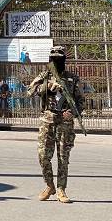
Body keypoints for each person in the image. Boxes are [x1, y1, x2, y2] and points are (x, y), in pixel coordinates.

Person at [27, 45, 84, 203]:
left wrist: (72, 113)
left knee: (63, 158)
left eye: (59, 58)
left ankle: (61, 190)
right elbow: (30, 91)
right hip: (47, 121)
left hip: (65, 123)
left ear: (64, 60)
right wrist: (47, 89)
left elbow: (81, 101)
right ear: (50, 60)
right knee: (43, 156)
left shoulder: (73, 79)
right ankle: (49, 185)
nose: (56, 61)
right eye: (54, 58)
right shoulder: (44, 76)